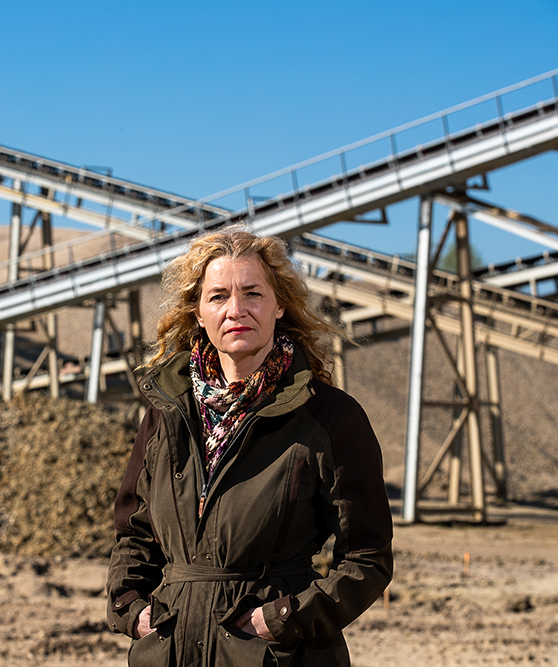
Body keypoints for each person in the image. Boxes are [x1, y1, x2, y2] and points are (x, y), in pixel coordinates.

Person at [106, 226, 393, 666]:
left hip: (277, 655)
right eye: (218, 296)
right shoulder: (166, 413)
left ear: (279, 304)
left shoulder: (330, 417)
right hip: (171, 651)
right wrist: (131, 607)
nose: (236, 310)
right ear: (198, 312)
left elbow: (367, 558)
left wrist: (282, 618)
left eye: (252, 293)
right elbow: (134, 534)